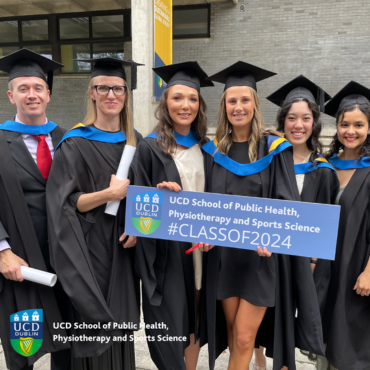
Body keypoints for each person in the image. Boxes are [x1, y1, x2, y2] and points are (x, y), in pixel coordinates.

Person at [200, 62, 325, 370]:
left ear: (255, 104)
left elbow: (287, 205)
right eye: (232, 100)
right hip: (225, 257)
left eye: (245, 100)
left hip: (261, 259)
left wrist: (275, 238)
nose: (238, 107)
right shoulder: (214, 151)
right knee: (233, 337)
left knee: (244, 338)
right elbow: (204, 203)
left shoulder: (274, 147)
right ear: (225, 105)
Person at [46, 57, 143, 370]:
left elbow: (145, 197)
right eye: (103, 88)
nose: (111, 95)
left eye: (117, 89)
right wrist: (109, 195)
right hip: (88, 249)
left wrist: (139, 227)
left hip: (124, 249)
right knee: (92, 328)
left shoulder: (136, 141)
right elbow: (64, 203)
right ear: (91, 92)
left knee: (120, 329)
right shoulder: (74, 142)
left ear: (126, 94)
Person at [129, 61, 213, 370]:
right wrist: (158, 195)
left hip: (206, 248)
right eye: (177, 97)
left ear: (199, 105)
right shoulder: (150, 148)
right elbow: (139, 207)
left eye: (192, 99)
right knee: (169, 325)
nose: (185, 105)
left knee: (196, 322)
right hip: (168, 254)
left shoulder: (210, 148)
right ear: (165, 102)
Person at [253, 75, 340, 370]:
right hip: (266, 256)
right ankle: (258, 358)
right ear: (283, 120)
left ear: (314, 123)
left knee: (288, 325)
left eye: (305, 118)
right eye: (291, 118)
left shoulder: (323, 170)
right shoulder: (269, 159)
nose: (298, 125)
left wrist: (314, 260)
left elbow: (324, 219)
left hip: (302, 262)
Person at [0, 48, 70, 370]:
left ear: (48, 94)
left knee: (69, 346)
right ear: (11, 94)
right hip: (21, 264)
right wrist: (2, 251)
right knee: (22, 348)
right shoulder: (0, 141)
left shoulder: (68, 139)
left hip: (66, 263)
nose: (32, 95)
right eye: (23, 89)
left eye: (38, 88)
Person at [318, 81, 370, 370]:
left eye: (359, 124)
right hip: (326, 269)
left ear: (369, 128)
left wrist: (369, 271)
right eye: (344, 124)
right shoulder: (325, 165)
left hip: (357, 267)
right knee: (323, 340)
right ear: (336, 127)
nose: (351, 131)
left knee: (353, 345)